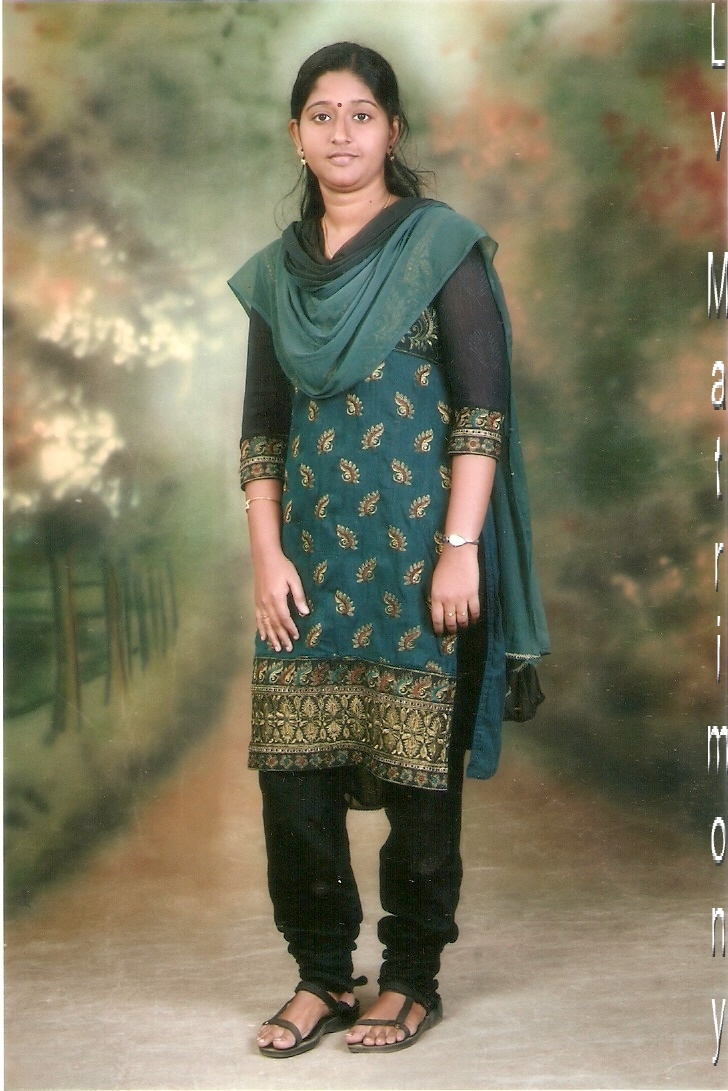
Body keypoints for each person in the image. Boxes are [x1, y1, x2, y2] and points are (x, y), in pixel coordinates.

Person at [228, 41, 549, 1057]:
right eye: (321, 115)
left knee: (420, 784)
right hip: (309, 571)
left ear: (392, 132)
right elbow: (262, 430)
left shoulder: (439, 246)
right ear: (296, 135)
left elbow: (481, 413)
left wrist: (459, 548)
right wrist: (266, 555)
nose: (341, 133)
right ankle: (322, 972)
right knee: (293, 784)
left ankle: (410, 978)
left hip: (420, 566)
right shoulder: (277, 276)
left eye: (360, 115)